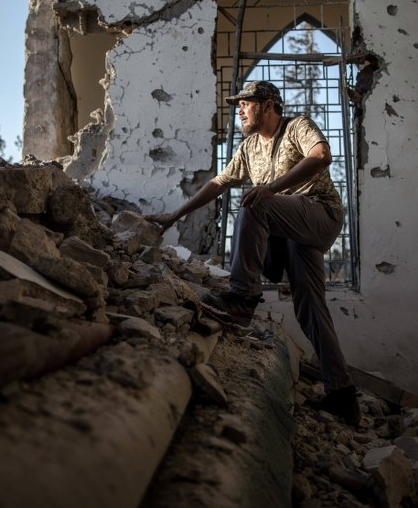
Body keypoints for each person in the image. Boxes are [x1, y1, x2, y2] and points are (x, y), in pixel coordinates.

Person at [145, 80, 360, 425]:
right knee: (310, 308)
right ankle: (343, 396)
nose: (240, 110)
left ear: (268, 105)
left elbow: (321, 156)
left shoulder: (296, 127)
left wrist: (271, 188)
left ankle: (243, 298)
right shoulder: (248, 148)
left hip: (321, 214)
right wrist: (173, 216)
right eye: (239, 105)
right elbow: (217, 184)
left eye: (246, 103)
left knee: (255, 205)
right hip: (291, 230)